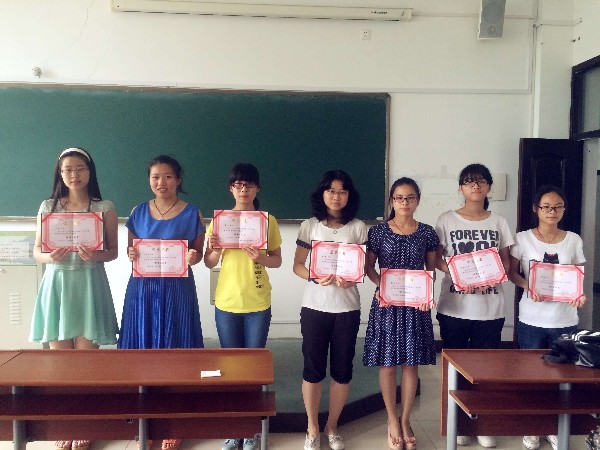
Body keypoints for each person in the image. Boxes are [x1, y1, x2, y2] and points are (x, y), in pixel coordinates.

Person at [30, 147, 119, 450]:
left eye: (79, 168)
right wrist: (49, 257)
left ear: (90, 171)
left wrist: (96, 255)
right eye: (67, 170)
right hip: (58, 284)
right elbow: (37, 251)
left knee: (86, 364)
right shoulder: (48, 206)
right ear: (60, 174)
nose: (74, 175)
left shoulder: (104, 207)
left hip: (89, 284)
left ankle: (85, 424)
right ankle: (65, 425)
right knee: (61, 365)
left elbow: (113, 252)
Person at [118, 155, 205, 450]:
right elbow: (131, 249)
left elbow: (197, 254)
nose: (161, 182)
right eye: (155, 177)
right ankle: (145, 420)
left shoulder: (192, 213)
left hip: (177, 290)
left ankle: (174, 421)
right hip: (143, 289)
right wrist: (131, 254)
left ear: (178, 180)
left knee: (175, 348)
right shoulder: (138, 212)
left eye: (168, 176)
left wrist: (193, 257)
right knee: (142, 349)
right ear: (149, 180)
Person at [435, 163, 514, 449]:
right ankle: (458, 423)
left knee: (485, 370)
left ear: (489, 187)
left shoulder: (499, 221)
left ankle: (481, 423)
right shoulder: (446, 219)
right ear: (461, 188)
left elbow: (506, 262)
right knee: (455, 369)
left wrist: (490, 279)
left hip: (490, 308)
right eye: (469, 182)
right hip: (454, 307)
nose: (475, 186)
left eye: (481, 181)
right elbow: (435, 259)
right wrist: (459, 276)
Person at [204, 163, 282, 450]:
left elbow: (277, 260)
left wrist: (260, 257)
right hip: (226, 301)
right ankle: (234, 427)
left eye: (248, 184)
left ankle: (251, 429)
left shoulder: (267, 221)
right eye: (238, 185)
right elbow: (208, 262)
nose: (243, 189)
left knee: (253, 368)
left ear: (257, 188)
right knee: (231, 367)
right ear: (231, 189)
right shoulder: (219, 221)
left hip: (257, 301)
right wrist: (215, 248)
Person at [293, 170, 367, 450]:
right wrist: (314, 276)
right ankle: (312, 427)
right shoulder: (309, 226)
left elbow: (362, 269)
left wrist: (353, 279)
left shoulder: (359, 227)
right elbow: (298, 266)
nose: (337, 197)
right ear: (322, 193)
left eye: (342, 191)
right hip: (315, 307)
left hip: (347, 308)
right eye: (331, 191)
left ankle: (332, 426)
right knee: (312, 369)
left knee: (342, 370)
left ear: (350, 195)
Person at [363, 177, 439, 450]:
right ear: (391, 201)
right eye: (399, 198)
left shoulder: (427, 232)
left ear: (417, 200)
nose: (404, 202)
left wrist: (427, 296)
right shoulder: (378, 232)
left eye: (410, 197)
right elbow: (368, 268)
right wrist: (382, 287)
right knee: (388, 364)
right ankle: (391, 419)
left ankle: (406, 419)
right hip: (387, 305)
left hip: (415, 307)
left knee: (411, 364)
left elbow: (430, 270)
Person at [508, 185, 586, 450]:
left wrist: (579, 295)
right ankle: (533, 426)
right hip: (531, 319)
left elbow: (577, 277)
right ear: (536, 209)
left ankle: (554, 427)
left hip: (564, 320)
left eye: (557, 207)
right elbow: (512, 273)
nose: (552, 211)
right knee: (532, 376)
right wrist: (528, 286)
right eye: (546, 207)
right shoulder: (522, 238)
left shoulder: (573, 240)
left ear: (564, 210)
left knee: (561, 377)